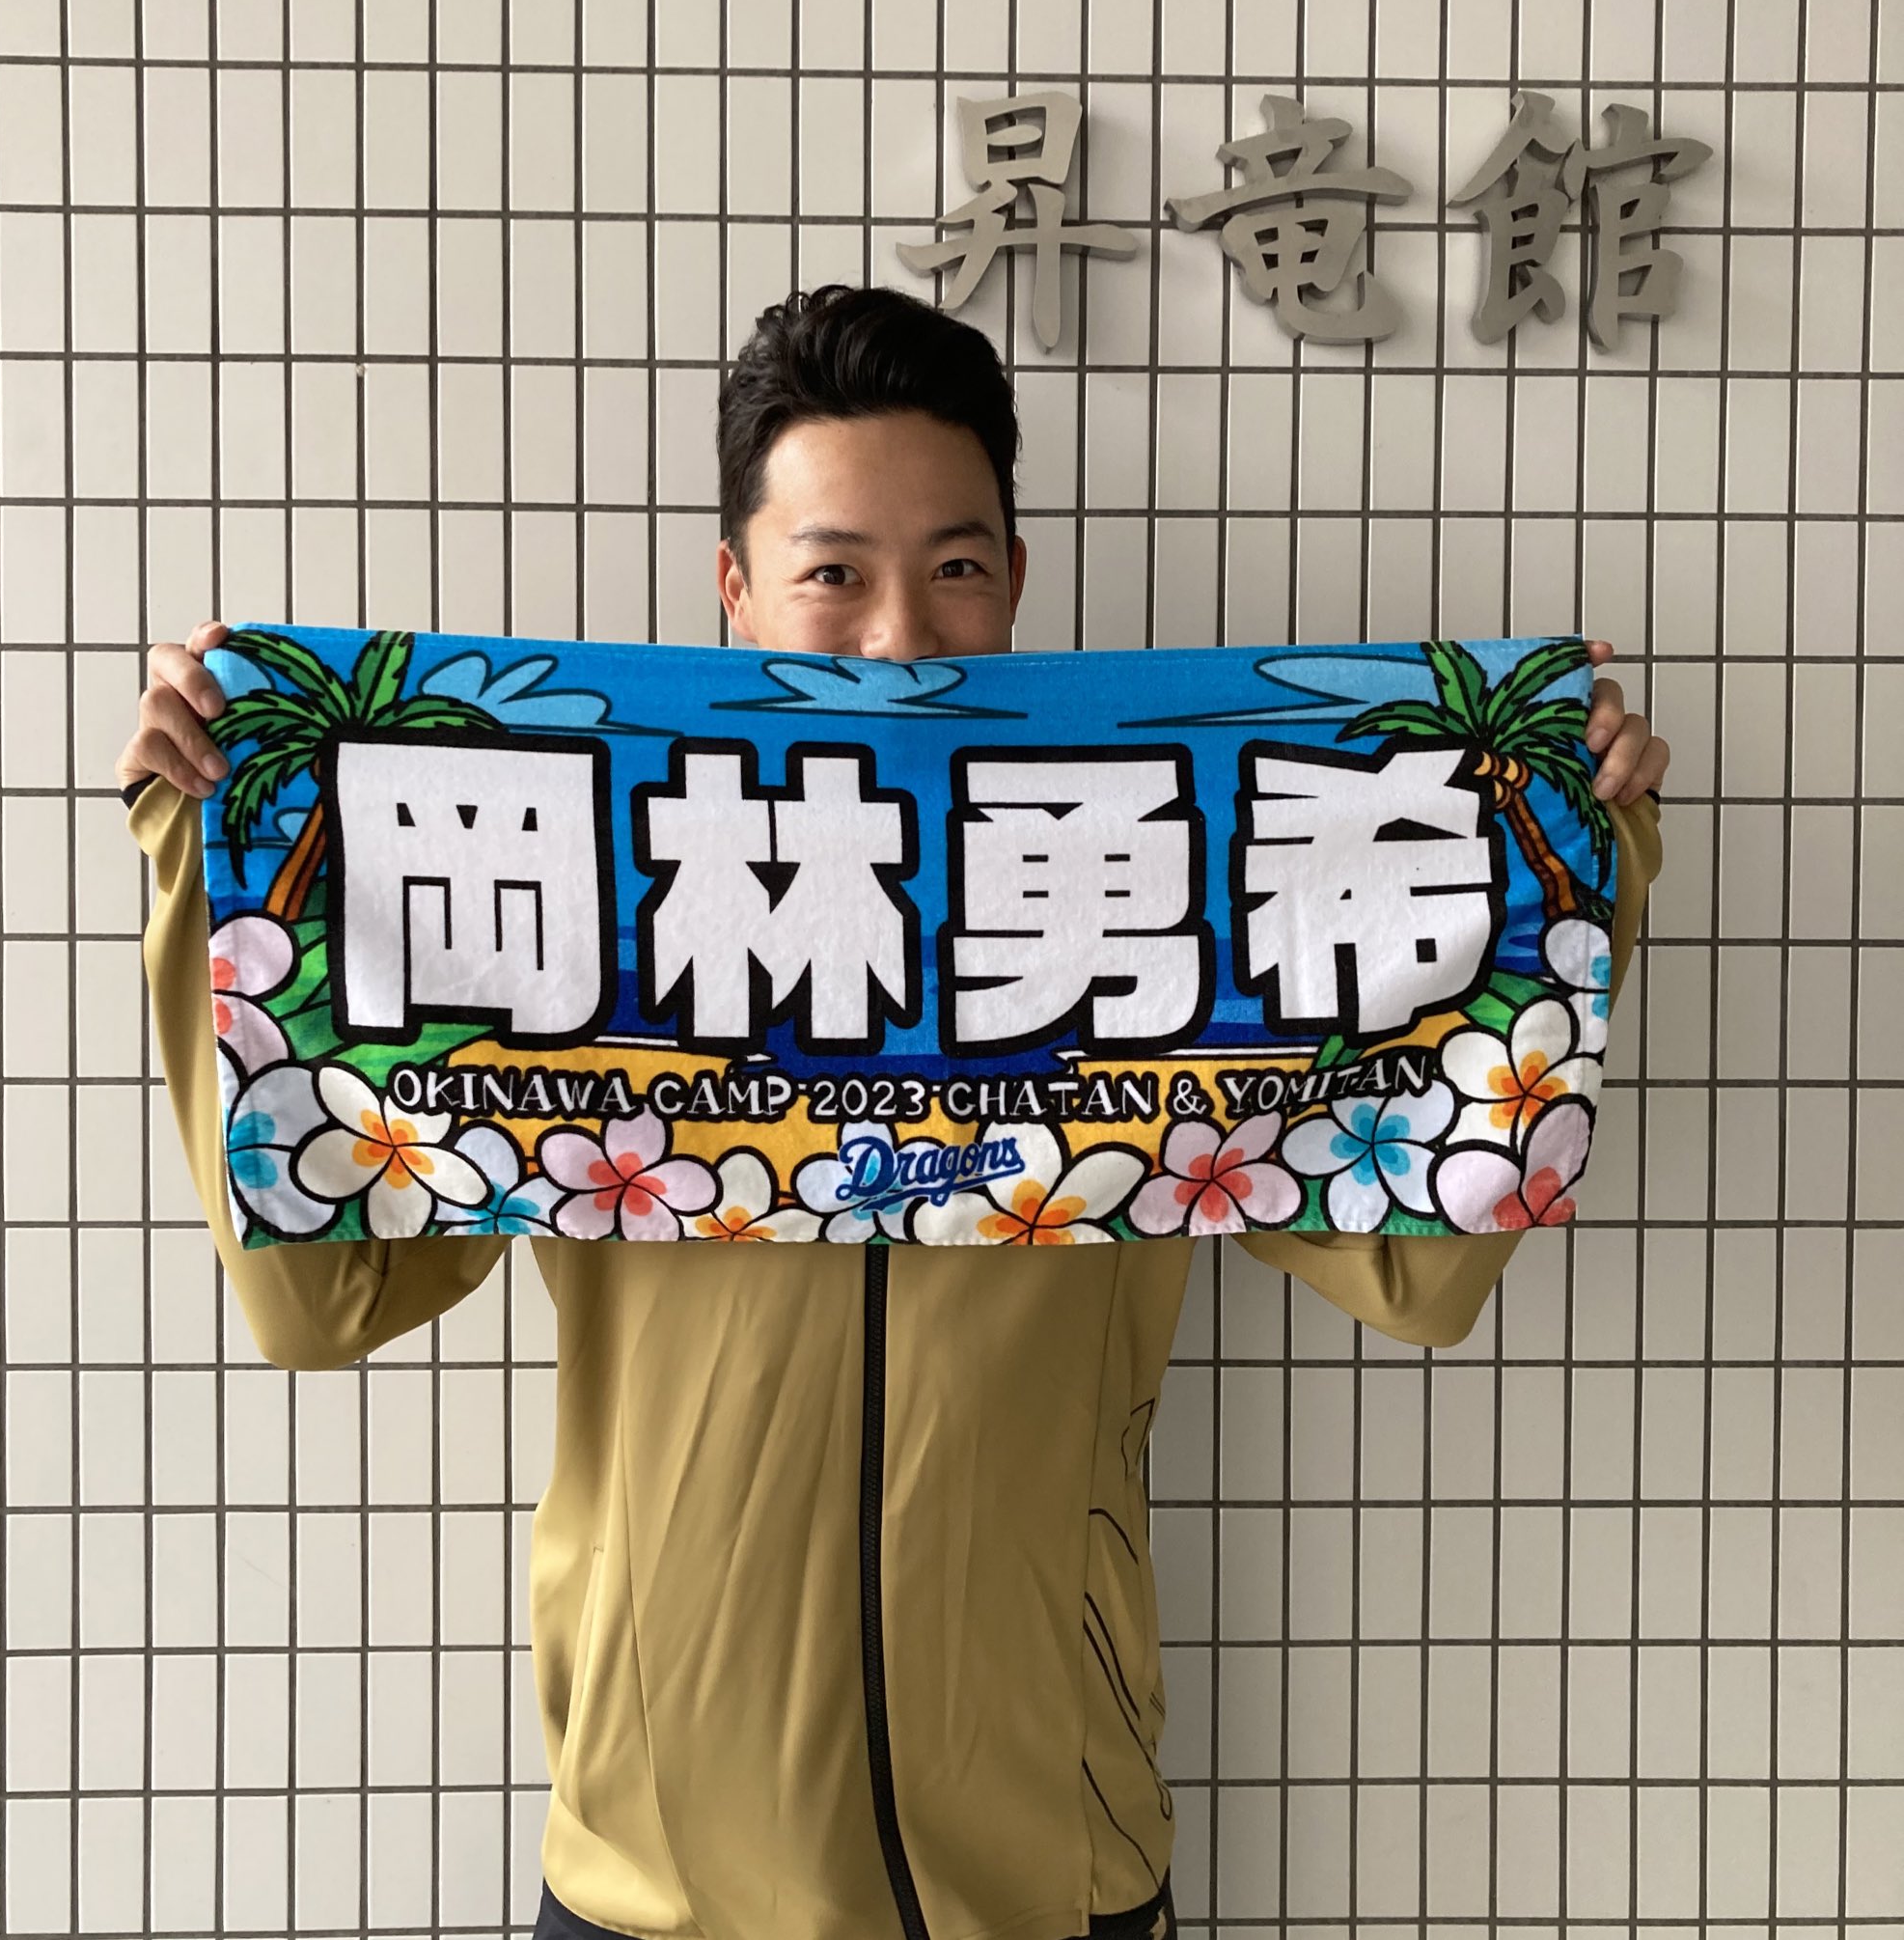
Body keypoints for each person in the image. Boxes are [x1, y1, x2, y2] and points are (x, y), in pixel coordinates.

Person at [117, 284, 1669, 1940]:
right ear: (734, 590)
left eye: (956, 568)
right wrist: (209, 861)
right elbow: (323, 1299)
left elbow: (1421, 1271)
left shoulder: (1152, 896)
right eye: (834, 574)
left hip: (1047, 1870)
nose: (902, 639)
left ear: (1017, 580)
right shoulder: (583, 892)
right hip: (656, 1876)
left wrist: (1581, 864)